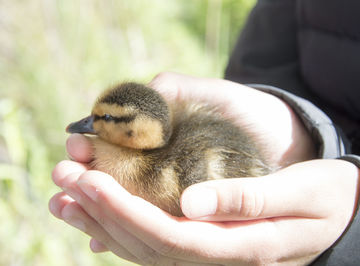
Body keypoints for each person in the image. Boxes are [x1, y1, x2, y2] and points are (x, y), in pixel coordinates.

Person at [49, 0, 360, 265]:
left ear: (135, 133)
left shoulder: (154, 167)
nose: (89, 126)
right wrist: (304, 125)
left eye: (104, 119)